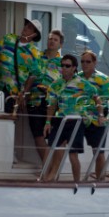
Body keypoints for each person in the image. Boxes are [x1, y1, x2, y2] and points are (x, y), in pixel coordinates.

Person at [43, 54, 104, 182]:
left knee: (72, 155)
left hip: (76, 123)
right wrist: (48, 122)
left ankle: (77, 182)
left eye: (67, 66)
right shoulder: (56, 84)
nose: (64, 68)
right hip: (60, 121)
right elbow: (51, 105)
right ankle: (45, 178)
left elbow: (97, 98)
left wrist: (101, 115)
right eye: (62, 65)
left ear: (74, 68)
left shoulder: (83, 84)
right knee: (50, 149)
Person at [78, 50, 109, 179]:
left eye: (88, 62)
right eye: (82, 62)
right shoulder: (77, 78)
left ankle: (100, 180)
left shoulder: (104, 80)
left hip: (99, 117)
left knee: (98, 151)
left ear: (95, 63)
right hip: (80, 117)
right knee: (68, 148)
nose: (85, 64)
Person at [26, 30, 64, 161]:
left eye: (55, 40)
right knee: (38, 136)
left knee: (53, 137)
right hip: (35, 101)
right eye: (50, 39)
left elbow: (65, 85)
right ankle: (46, 168)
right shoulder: (37, 57)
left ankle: (51, 169)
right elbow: (29, 75)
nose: (52, 41)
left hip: (52, 104)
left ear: (60, 45)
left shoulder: (63, 63)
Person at [0, 18, 42, 113]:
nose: (25, 27)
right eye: (26, 25)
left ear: (34, 34)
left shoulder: (35, 53)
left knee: (6, 122)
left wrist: (24, 94)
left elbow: (33, 75)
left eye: (29, 27)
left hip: (13, 93)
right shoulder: (9, 38)